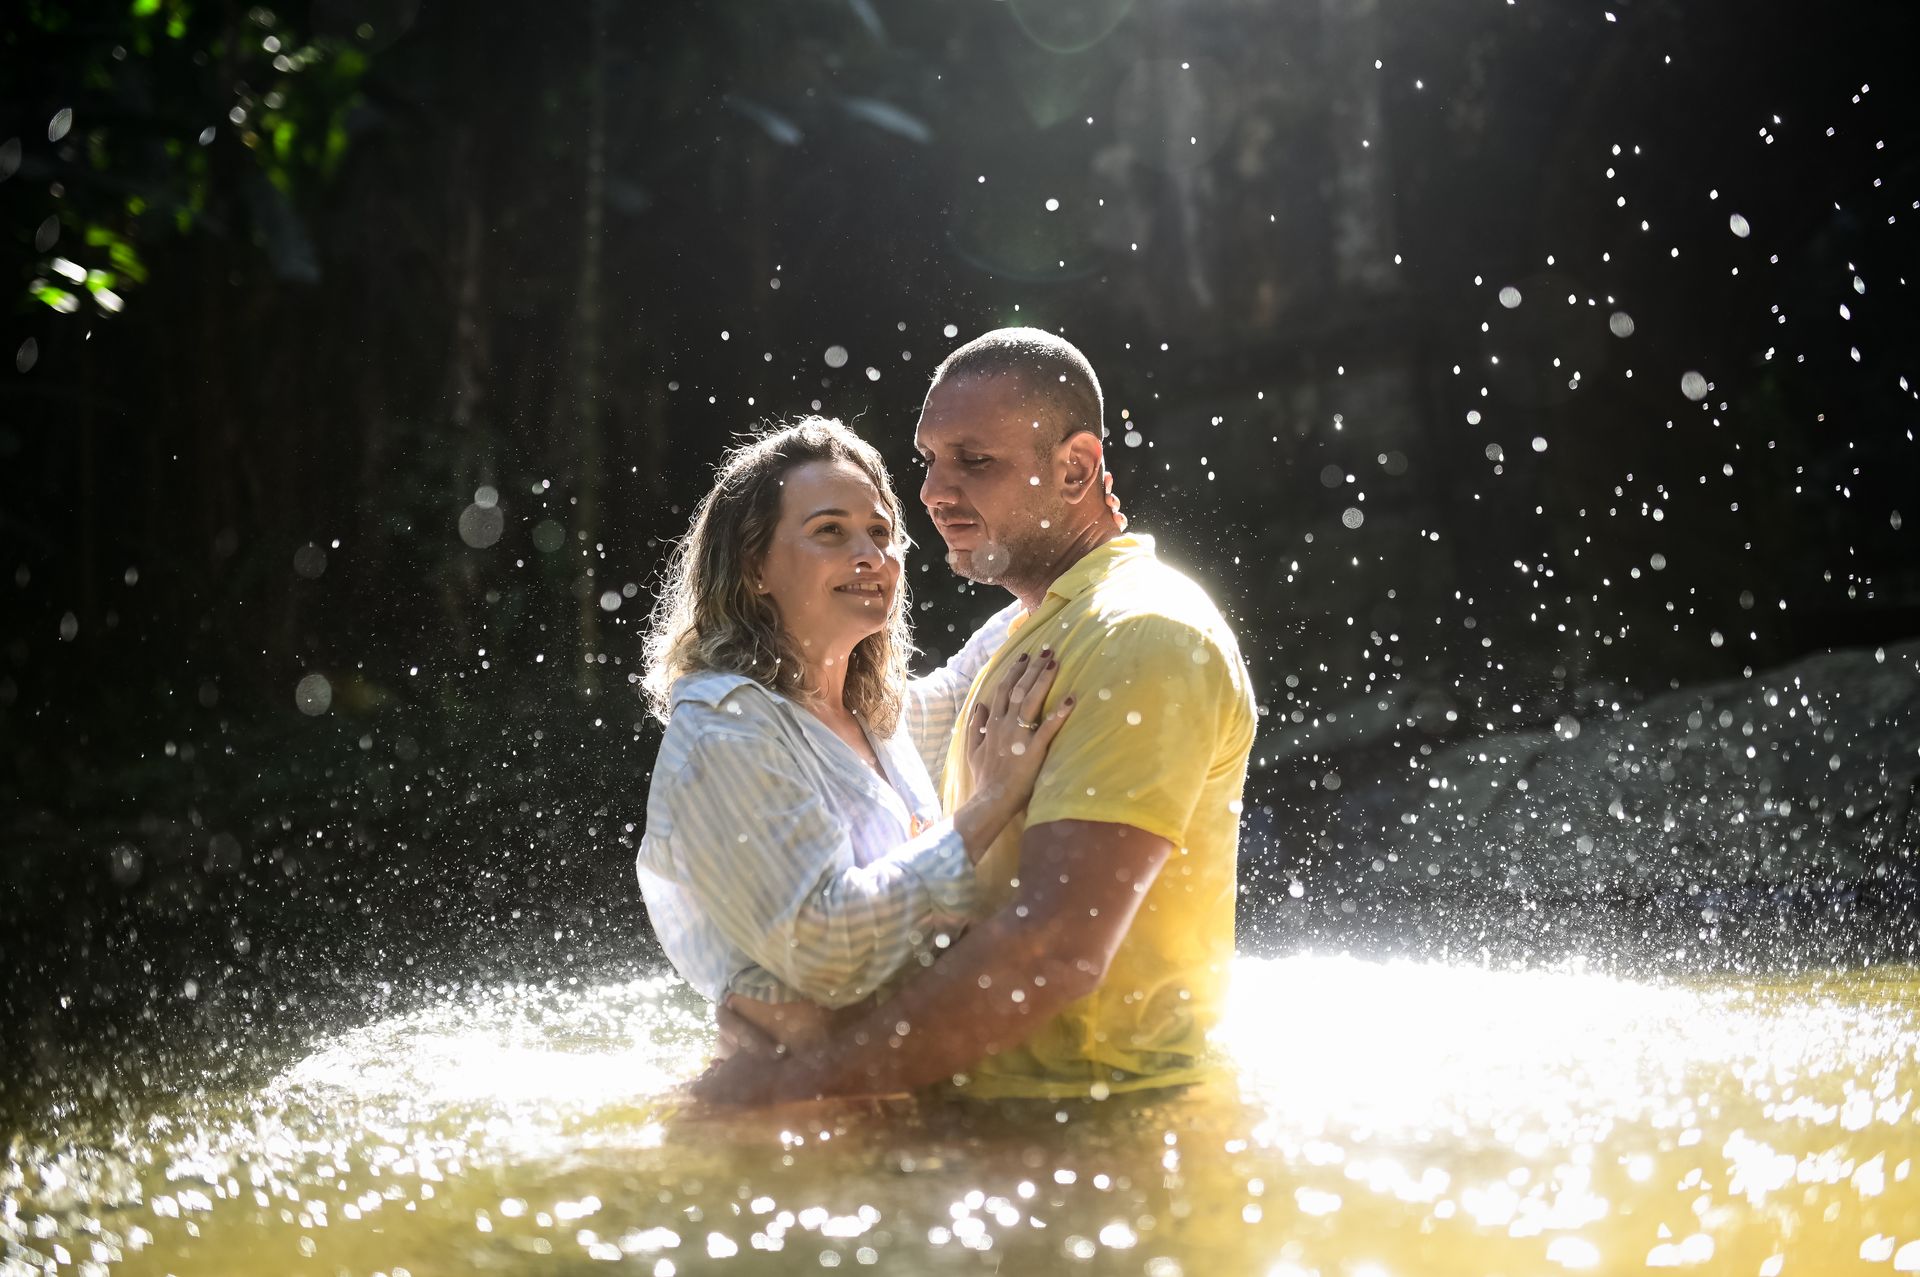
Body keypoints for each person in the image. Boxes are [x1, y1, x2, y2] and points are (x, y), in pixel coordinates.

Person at [692, 327, 1257, 1103]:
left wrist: (809, 1083)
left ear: (1076, 468)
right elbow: (846, 745)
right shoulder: (1030, 628)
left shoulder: (1141, 634)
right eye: (929, 459)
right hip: (985, 1120)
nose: (931, 492)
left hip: (1095, 1129)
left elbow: (1053, 949)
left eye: (975, 461)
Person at [634, 418, 1076, 1054]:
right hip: (790, 1114)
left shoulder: (867, 713)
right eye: (829, 533)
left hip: (882, 1088)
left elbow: (964, 690)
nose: (869, 556)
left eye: (879, 532)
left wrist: (1073, 561)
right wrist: (986, 806)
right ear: (754, 564)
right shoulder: (724, 733)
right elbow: (826, 951)